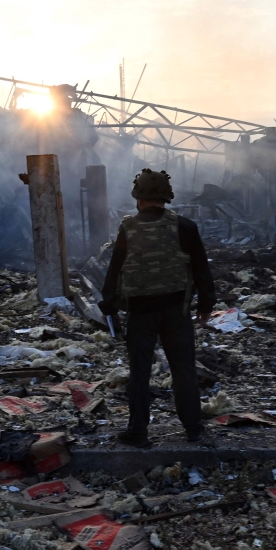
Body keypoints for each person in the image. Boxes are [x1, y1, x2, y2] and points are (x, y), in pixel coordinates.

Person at [99, 168, 217, 448]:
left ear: (137, 197)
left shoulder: (128, 227)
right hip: (177, 309)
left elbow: (114, 270)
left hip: (140, 312)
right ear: (167, 197)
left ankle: (138, 432)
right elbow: (201, 268)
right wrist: (206, 305)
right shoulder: (185, 226)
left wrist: (108, 305)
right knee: (183, 369)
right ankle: (194, 429)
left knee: (140, 372)